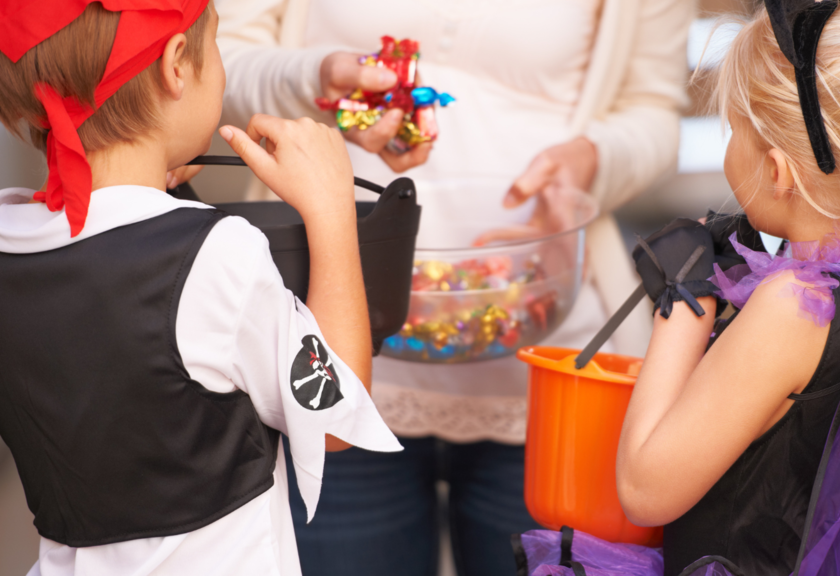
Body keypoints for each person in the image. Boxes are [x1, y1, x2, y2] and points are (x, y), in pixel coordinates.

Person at [516, 0, 840, 575]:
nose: (730, 148)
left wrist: (685, 297)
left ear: (779, 172)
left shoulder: (797, 307)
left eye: (734, 131)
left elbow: (644, 487)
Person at [214, 1, 695, 574]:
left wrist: (593, 162)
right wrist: (316, 77)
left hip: (544, 372)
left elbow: (656, 112)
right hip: (328, 355)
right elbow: (219, 61)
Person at [0, 1, 401, 574]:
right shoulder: (213, 253)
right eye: (216, 47)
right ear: (177, 63)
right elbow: (333, 417)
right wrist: (332, 213)